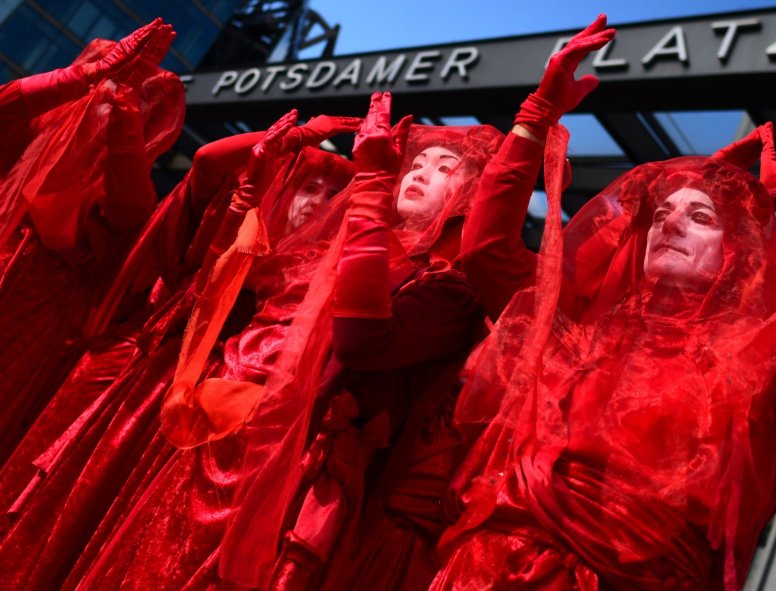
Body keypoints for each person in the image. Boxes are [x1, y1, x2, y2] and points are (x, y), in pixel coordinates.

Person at [430, 16, 776, 590]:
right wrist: (537, 115)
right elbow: (487, 252)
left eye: (701, 216)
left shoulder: (769, 366)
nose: (672, 221)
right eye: (660, 214)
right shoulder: (578, 331)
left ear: (737, 258)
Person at [0, 112, 358, 591]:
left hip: (210, 426)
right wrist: (291, 138)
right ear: (286, 188)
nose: (318, 204)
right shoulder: (235, 221)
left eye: (334, 197)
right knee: (73, 512)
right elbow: (208, 162)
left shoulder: (324, 280)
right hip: (150, 394)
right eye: (310, 187)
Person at [217, 92, 503, 591]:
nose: (418, 171)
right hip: (221, 437)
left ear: (474, 193)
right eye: (415, 162)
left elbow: (362, 342)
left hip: (292, 482)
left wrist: (371, 182)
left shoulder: (452, 290)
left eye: (444, 167)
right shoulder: (330, 248)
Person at [0, 21, 183, 464]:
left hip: (35, 311)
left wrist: (121, 101)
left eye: (144, 102)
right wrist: (87, 76)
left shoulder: (126, 180)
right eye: (118, 85)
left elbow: (130, 208)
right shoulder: (30, 133)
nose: (121, 98)